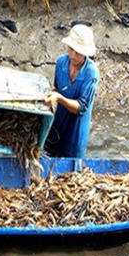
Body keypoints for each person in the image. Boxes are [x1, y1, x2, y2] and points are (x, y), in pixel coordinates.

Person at [44, 24, 100, 158]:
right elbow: (57, 88)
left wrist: (58, 98)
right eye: (71, 49)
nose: (73, 55)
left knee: (71, 167)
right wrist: (50, 94)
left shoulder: (91, 73)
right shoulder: (61, 62)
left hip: (76, 130)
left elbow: (81, 108)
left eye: (78, 52)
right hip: (58, 123)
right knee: (50, 154)